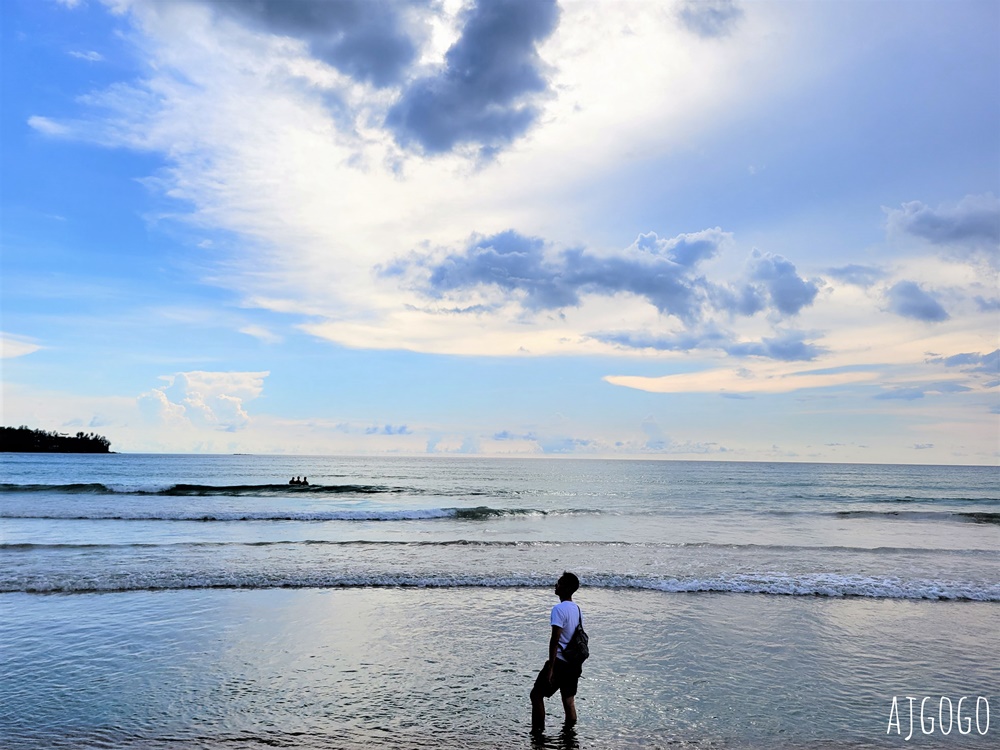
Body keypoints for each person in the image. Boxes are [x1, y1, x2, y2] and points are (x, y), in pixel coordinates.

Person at [530, 571, 583, 734]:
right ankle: (570, 735)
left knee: (536, 695)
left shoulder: (558, 609)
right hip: (573, 663)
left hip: (559, 662)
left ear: (566, 588)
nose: (556, 585)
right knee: (569, 701)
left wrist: (551, 667)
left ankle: (538, 733)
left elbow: (555, 640)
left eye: (559, 583)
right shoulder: (577, 609)